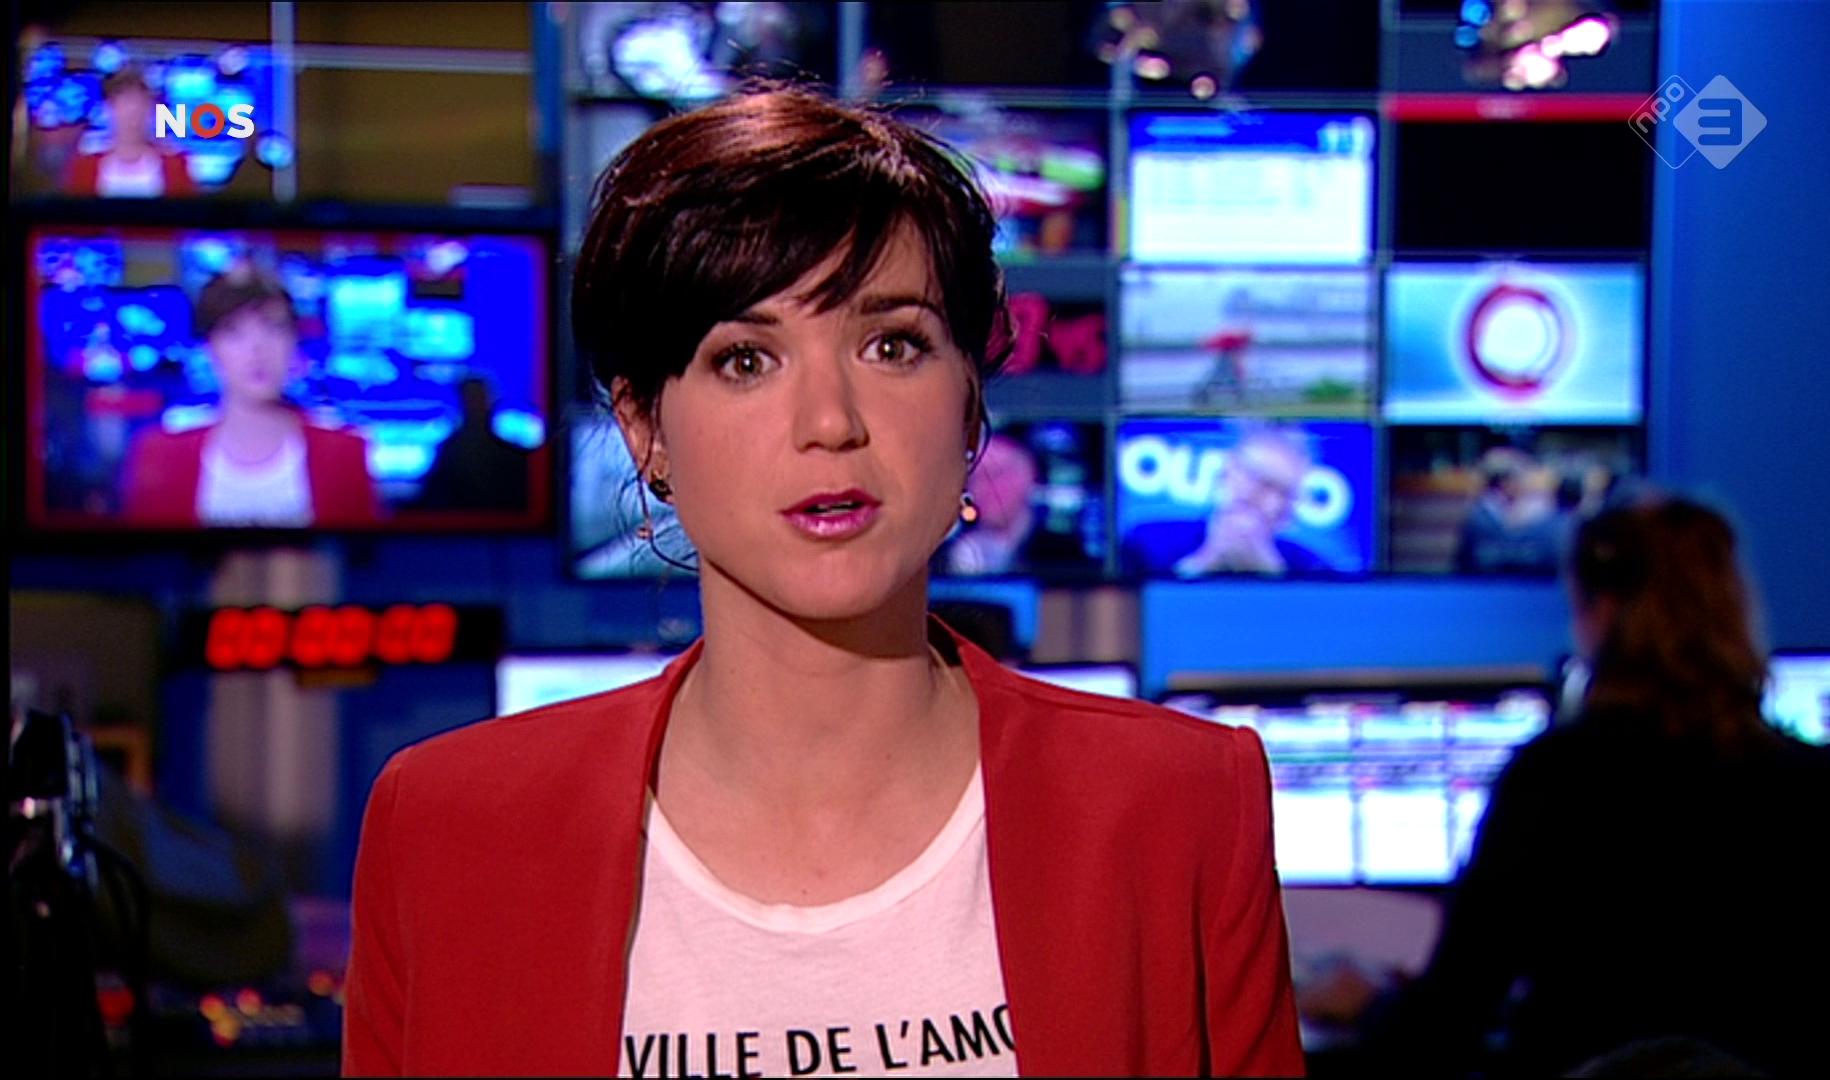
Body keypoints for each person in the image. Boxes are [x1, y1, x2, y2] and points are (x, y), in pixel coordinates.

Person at [343, 84, 1304, 1077]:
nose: (831, 421)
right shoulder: (451, 831)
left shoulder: (1178, 807)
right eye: (746, 360)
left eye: (893, 345)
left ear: (968, 402)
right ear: (646, 429)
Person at [1298, 495, 1830, 1076]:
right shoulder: (1821, 788)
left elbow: (1447, 1025)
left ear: (1602, 613)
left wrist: (1368, 1003)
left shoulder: (1556, 780)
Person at [120, 264, 378, 528]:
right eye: (234, 332)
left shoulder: (344, 454)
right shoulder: (161, 457)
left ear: (294, 343)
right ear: (210, 349)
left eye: (273, 328)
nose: (257, 349)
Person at [1122, 424, 1333, 577]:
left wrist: (1272, 573)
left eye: (1274, 487)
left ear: (1287, 510)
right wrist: (1205, 560)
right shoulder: (1147, 541)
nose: (1255, 493)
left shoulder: (1311, 567)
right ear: (1227, 471)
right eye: (1251, 475)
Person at [64, 63, 196, 199]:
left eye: (139, 105)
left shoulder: (175, 166)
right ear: (109, 109)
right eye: (124, 105)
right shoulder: (85, 168)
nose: (132, 115)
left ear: (150, 111)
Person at [412, 375, 532, 513]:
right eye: (470, 398)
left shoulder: (512, 453)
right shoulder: (450, 451)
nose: (475, 404)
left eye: (479, 398)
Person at [938, 433, 1039, 575]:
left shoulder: (1058, 549)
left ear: (1027, 477)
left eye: (996, 475)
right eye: (975, 479)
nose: (983, 489)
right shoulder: (948, 553)